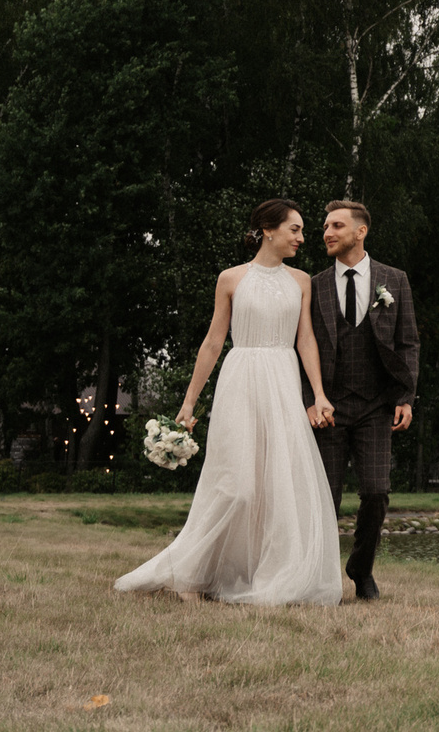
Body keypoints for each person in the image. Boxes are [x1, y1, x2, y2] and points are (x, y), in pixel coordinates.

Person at [115, 200, 342, 605]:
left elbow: (305, 339)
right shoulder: (231, 279)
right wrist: (189, 403)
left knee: (279, 486)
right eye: (295, 229)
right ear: (268, 230)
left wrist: (319, 393)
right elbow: (213, 342)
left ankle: (267, 575)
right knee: (235, 486)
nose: (302, 238)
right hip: (241, 380)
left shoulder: (302, 280)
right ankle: (192, 574)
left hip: (283, 383)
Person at [308, 199, 419, 601]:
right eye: (324, 227)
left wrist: (405, 396)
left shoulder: (395, 280)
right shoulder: (314, 284)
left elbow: (407, 343)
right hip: (329, 409)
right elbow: (301, 347)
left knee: (376, 492)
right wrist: (311, 399)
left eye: (336, 225)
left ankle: (361, 568)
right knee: (324, 497)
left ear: (361, 231)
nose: (327, 232)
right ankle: (317, 577)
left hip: (376, 406)